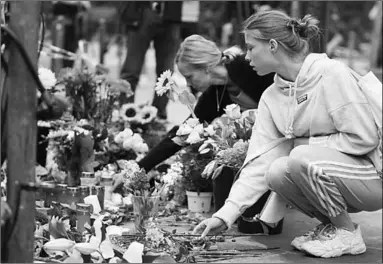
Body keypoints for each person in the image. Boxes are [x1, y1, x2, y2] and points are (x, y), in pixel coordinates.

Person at [192, 10, 382, 258]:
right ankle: (334, 227)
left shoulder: (330, 74)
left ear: (272, 45)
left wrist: (302, 144)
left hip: (373, 176)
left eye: (251, 48)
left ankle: (347, 234)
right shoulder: (271, 97)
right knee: (277, 171)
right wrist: (224, 216)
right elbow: (260, 162)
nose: (246, 57)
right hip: (337, 175)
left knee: (299, 156)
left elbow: (365, 137)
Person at [113, 34, 283, 234]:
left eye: (189, 77)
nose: (189, 85)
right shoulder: (216, 95)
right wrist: (138, 168)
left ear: (206, 67)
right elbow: (181, 135)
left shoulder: (251, 69)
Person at [118, 1, 182, 120]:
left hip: (171, 14)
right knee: (131, 69)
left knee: (166, 72)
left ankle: (157, 115)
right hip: (142, 11)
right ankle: (126, 113)